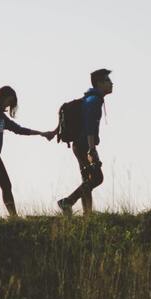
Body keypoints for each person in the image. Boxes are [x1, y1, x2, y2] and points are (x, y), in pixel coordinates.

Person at [0, 85, 54, 218]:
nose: (9, 105)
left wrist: (41, 133)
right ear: (1, 97)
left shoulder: (0, 115)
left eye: (11, 102)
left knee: (3, 186)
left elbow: (18, 129)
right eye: (9, 101)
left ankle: (14, 217)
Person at [57, 68, 113, 215]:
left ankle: (87, 214)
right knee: (97, 178)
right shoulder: (94, 101)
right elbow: (89, 126)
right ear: (99, 83)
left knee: (87, 179)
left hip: (80, 144)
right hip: (84, 145)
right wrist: (91, 149)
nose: (111, 83)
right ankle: (67, 202)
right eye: (108, 80)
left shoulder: (91, 99)